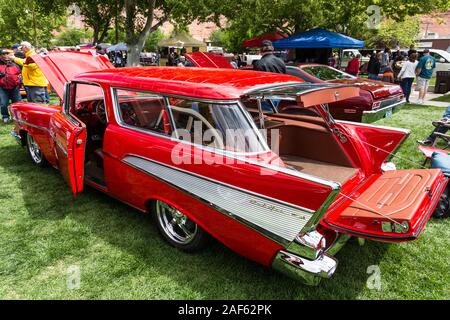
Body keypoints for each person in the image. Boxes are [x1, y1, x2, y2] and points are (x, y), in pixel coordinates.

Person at [0, 50, 22, 123]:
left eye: (7, 54)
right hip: (2, 88)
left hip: (15, 88)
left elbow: (20, 74)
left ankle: (17, 117)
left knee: (17, 103)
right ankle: (5, 117)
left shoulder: (14, 64)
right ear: (0, 56)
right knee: (3, 104)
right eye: (4, 54)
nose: (6, 55)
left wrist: (19, 83)